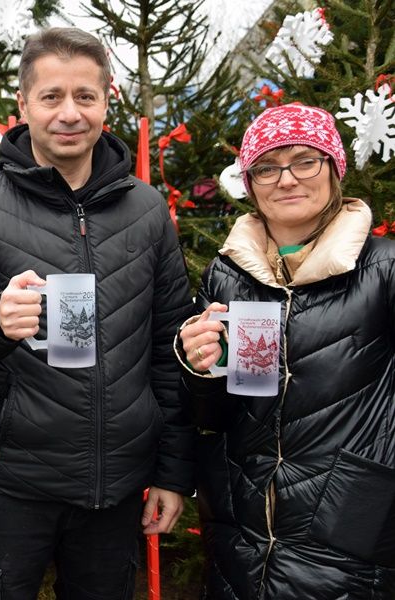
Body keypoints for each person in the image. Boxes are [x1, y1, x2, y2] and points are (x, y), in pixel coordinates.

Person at [0, 27, 195, 599]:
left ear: (106, 100)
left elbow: (169, 350)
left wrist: (171, 474)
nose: (69, 113)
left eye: (84, 96)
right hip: (12, 487)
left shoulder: (147, 211)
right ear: (22, 105)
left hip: (116, 490)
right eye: (51, 97)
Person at [178, 103, 395, 598]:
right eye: (267, 167)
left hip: (346, 541)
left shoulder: (384, 268)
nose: (287, 179)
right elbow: (211, 413)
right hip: (242, 536)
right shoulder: (227, 275)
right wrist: (199, 368)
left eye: (305, 160)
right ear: (250, 184)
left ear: (334, 169)